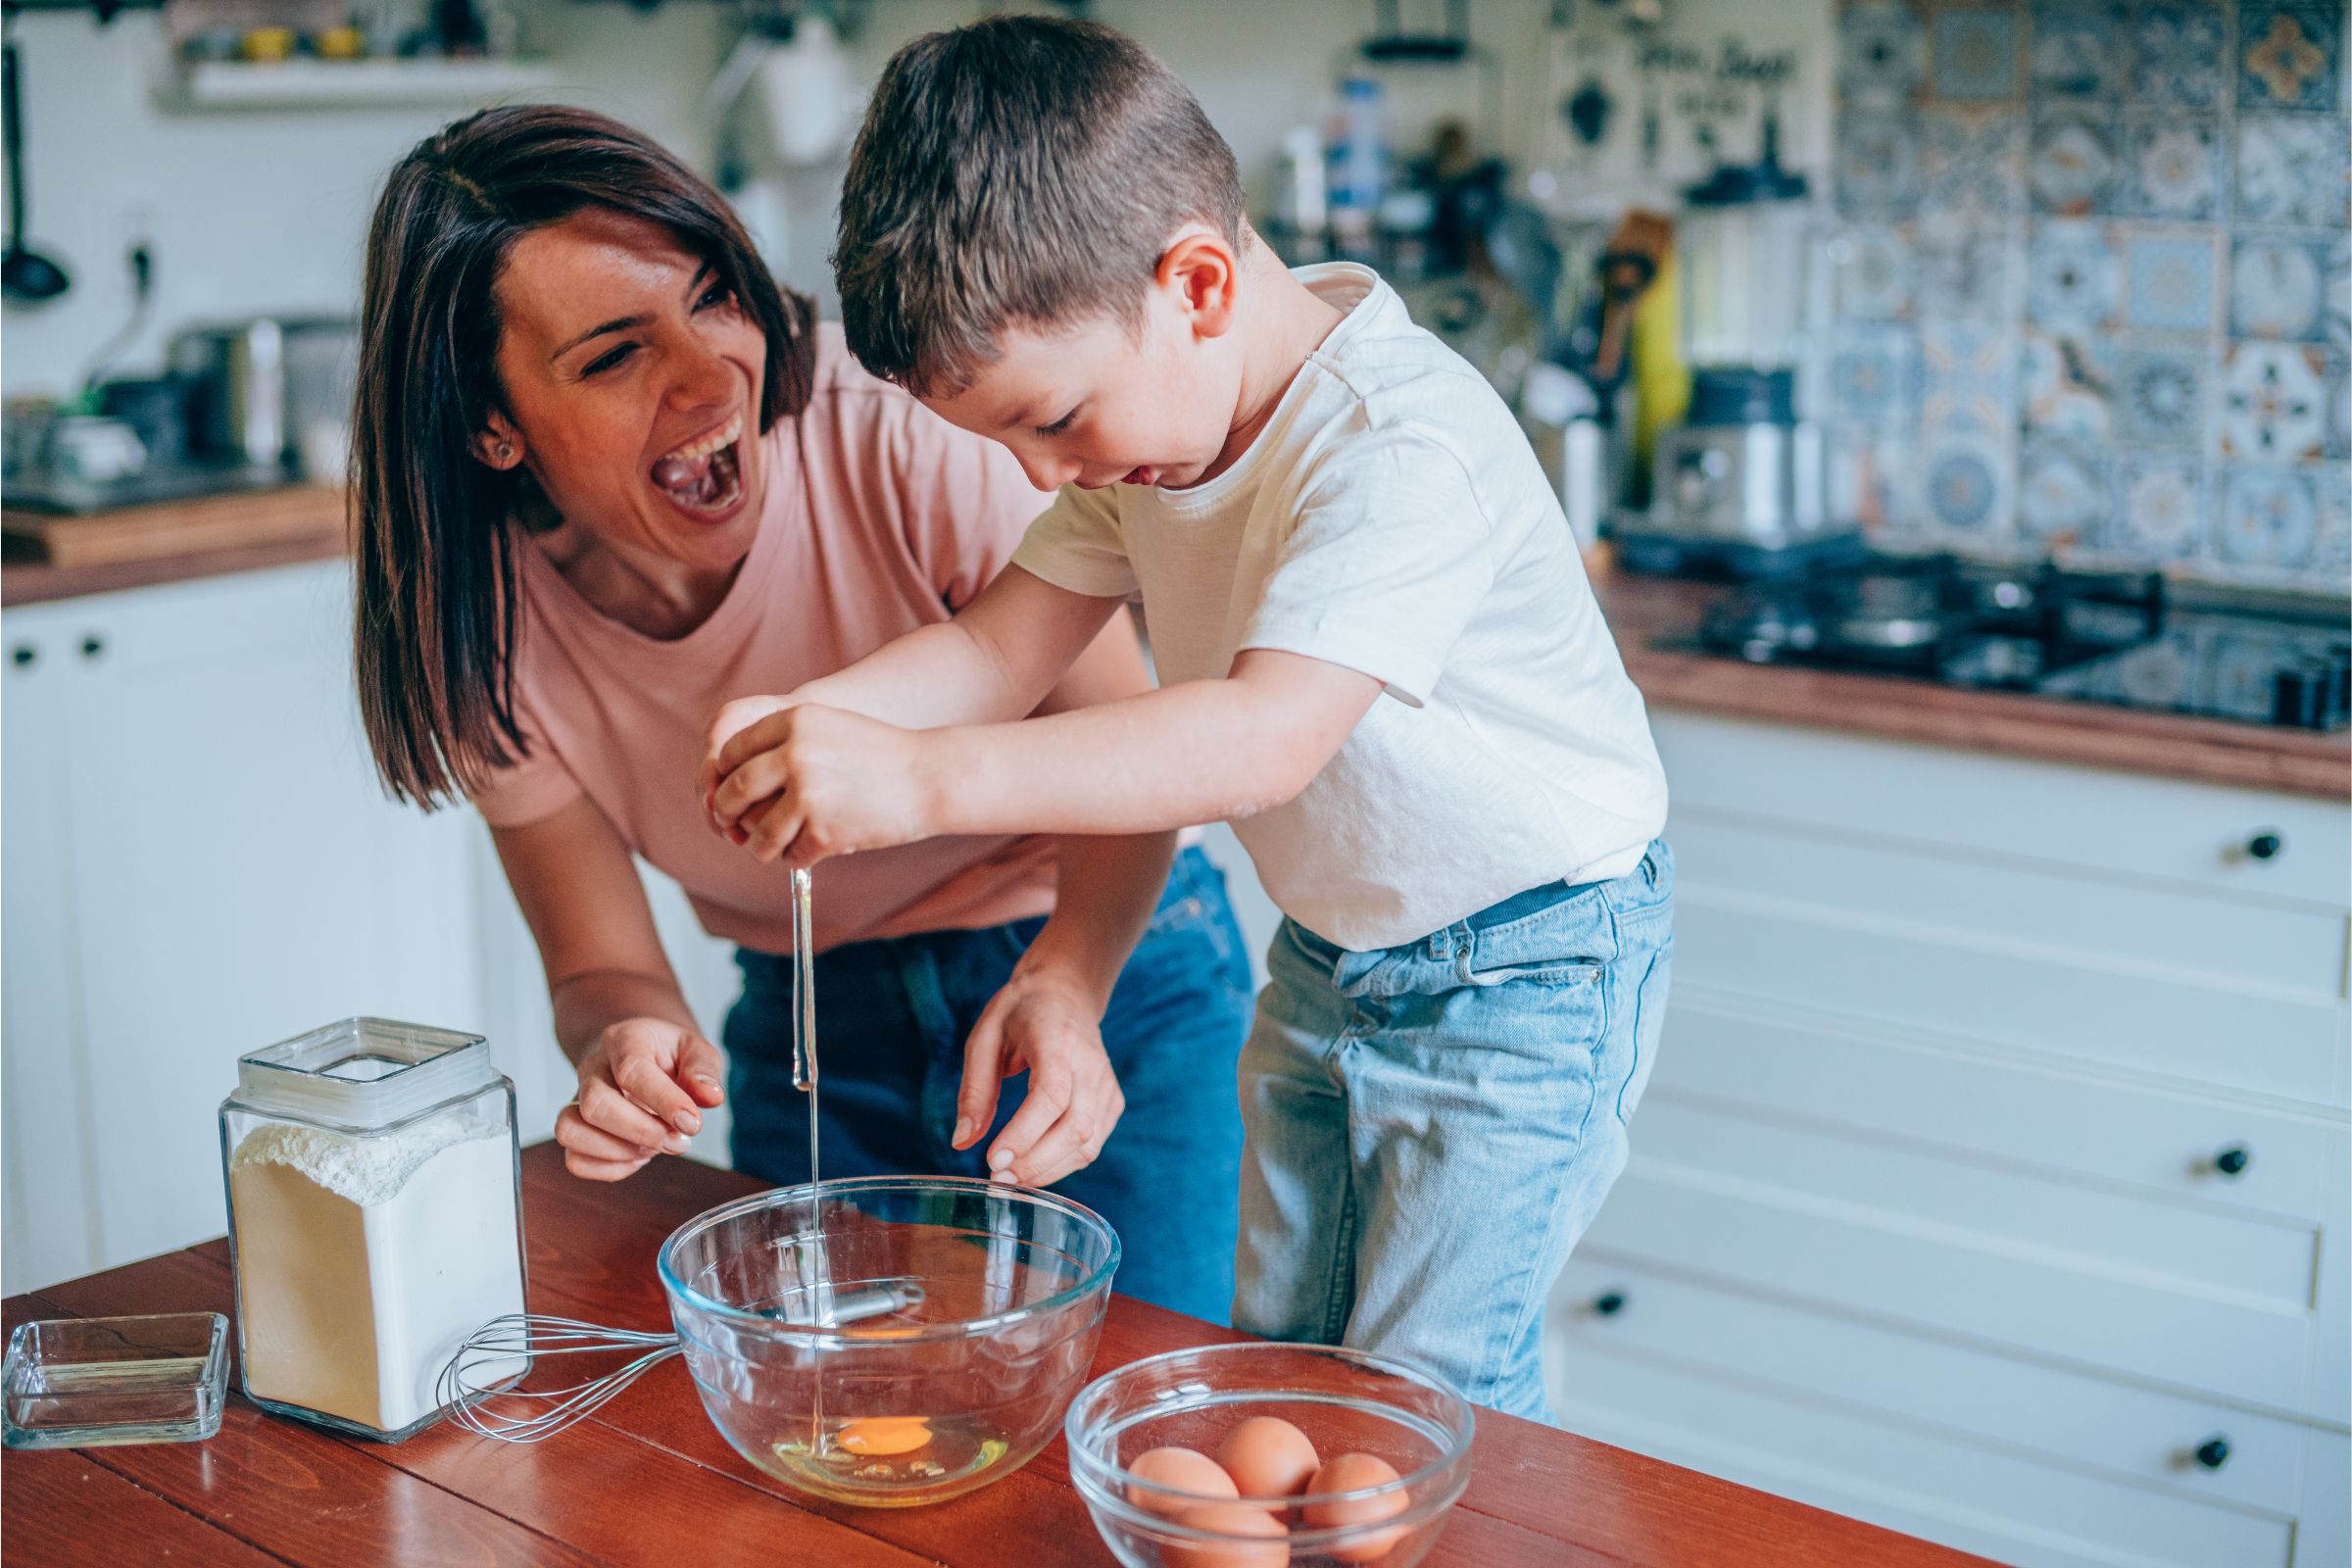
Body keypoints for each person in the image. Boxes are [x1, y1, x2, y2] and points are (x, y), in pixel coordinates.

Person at [701, 17, 1675, 1421]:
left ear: (1196, 282)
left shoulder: (1396, 445)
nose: (1050, 471)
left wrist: (917, 784)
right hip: (1338, 952)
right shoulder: (1156, 427)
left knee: (1424, 1399)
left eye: (1056, 421)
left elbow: (1256, 737)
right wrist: (809, 719)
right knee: (1279, 1360)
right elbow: (996, 646)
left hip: (1531, 967)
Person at [346, 103, 1253, 1322]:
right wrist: (627, 1046)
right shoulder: (483, 628)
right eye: (614, 354)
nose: (707, 370)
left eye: (714, 295)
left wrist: (1072, 987)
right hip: (814, 1025)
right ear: (489, 425)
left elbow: (1135, 779)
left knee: (1127, 1412)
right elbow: (604, 965)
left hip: (1105, 968)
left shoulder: (902, 433)